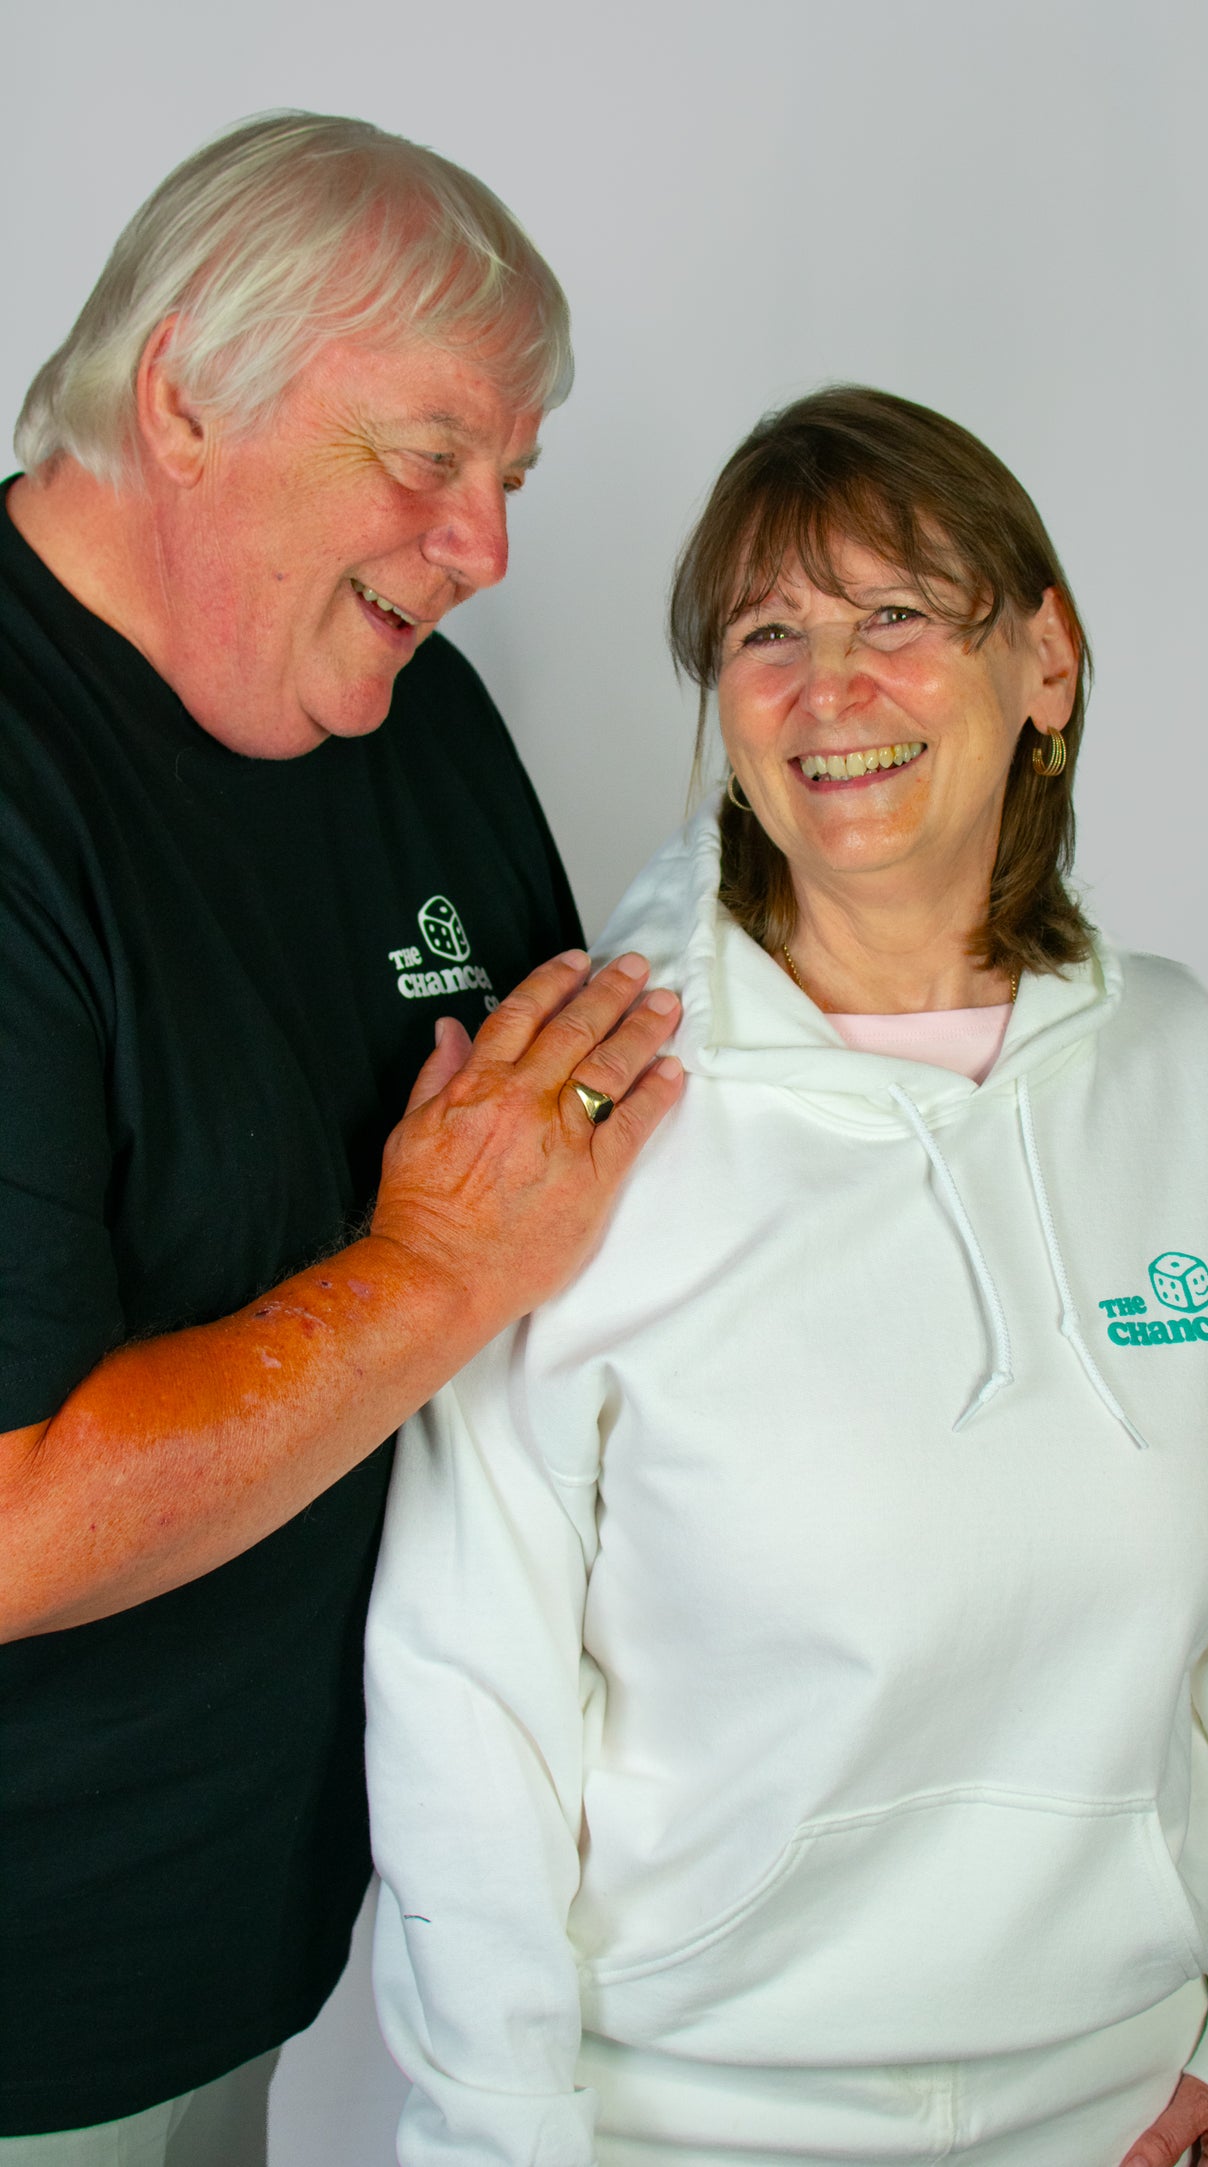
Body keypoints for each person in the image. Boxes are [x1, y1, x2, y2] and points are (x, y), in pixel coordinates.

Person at [365, 386, 1208, 2167]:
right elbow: (468, 1686)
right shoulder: (581, 1095)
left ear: (1042, 662)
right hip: (683, 2124)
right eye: (770, 635)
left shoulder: (1181, 1071)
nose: (831, 691)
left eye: (896, 617)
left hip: (1117, 2107)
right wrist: (495, 2135)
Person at [0, 113, 684, 2160]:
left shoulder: (413, 719)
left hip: (271, 1936)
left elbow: (596, 1181)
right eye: (428, 460)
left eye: (511, 483)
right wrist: (434, 1270)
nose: (483, 550)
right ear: (188, 390)